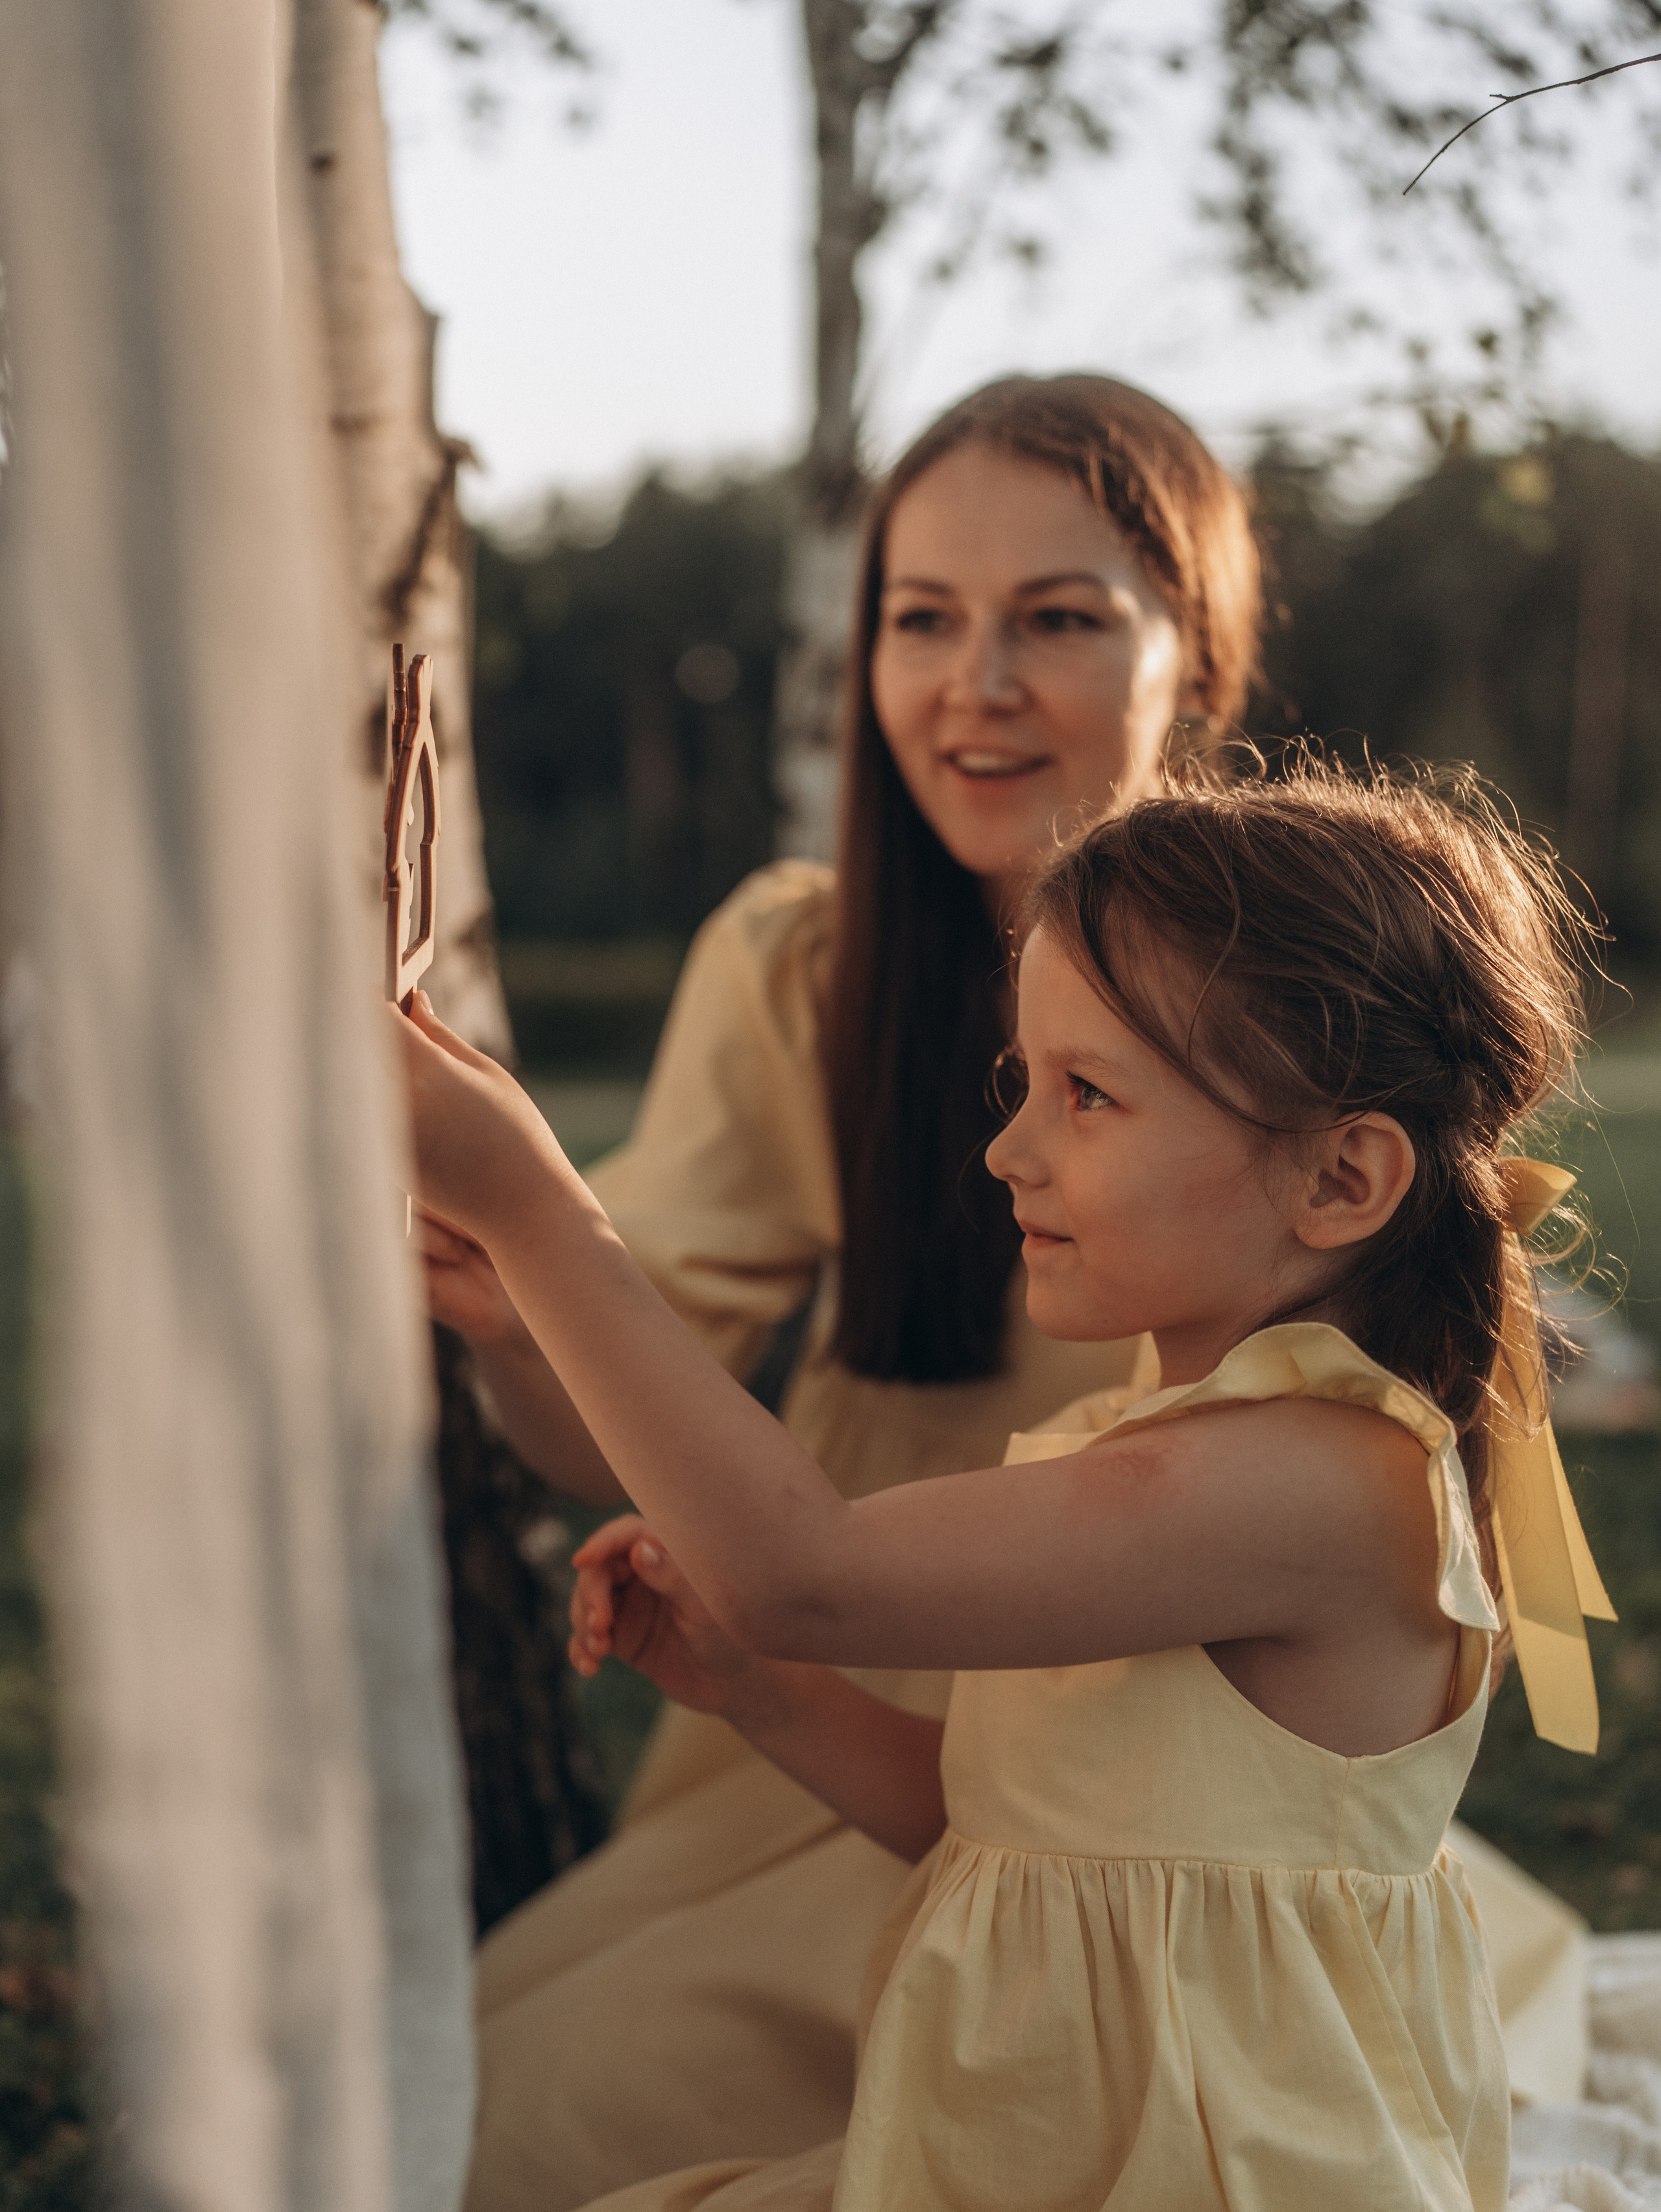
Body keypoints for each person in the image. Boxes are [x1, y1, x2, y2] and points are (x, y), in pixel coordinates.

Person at [399, 756, 1612, 2211]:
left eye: (1086, 1094)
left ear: (1341, 1181)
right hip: (1029, 2153)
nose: (1006, 1148)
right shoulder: (1163, 1441)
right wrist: (767, 1693)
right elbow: (1006, 1828)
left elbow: (808, 1568)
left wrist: (536, 1208)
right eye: (1016, 1080)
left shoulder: (1317, 1485)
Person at [427, 375, 1261, 2209]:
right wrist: (515, 1302)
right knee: (495, 2087)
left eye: (1058, 618)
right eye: (922, 619)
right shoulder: (804, 964)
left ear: (1197, 659)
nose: (976, 683)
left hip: (1147, 1750)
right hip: (815, 1712)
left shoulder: (1288, 995)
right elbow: (624, 1426)